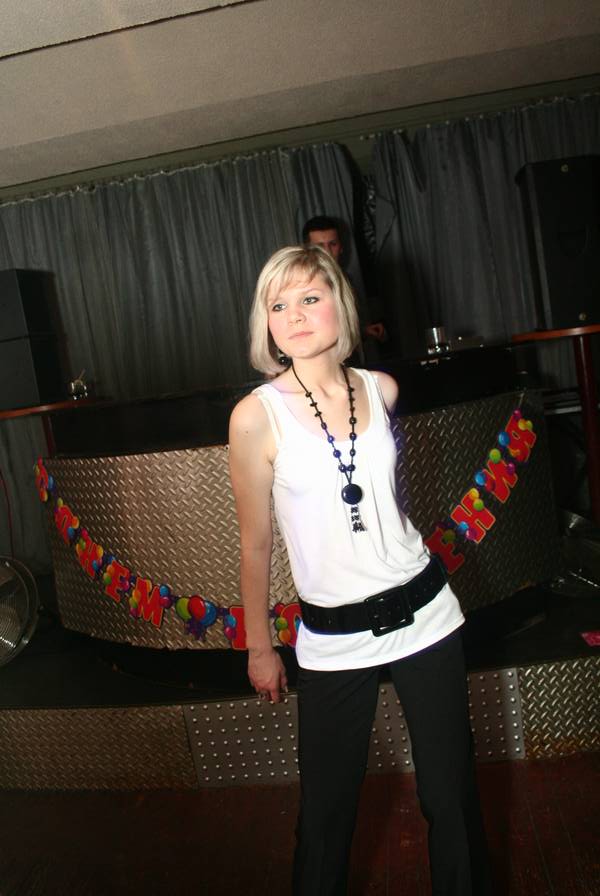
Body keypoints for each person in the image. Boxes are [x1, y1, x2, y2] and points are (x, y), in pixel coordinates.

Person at [228, 245, 491, 896]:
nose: (294, 314)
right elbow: (255, 544)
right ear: (266, 324)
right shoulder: (255, 416)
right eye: (278, 304)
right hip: (332, 637)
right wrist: (260, 647)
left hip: (426, 614)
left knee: (452, 799)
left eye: (309, 298)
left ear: (339, 306)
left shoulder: (381, 388)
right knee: (325, 818)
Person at [302, 215, 387, 346]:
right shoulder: (300, 286)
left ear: (341, 247)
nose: (327, 252)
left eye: (333, 244)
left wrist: (363, 332)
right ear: (307, 251)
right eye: (320, 246)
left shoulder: (346, 281)